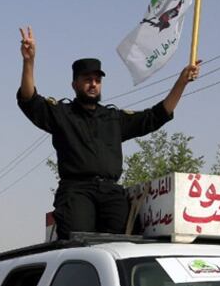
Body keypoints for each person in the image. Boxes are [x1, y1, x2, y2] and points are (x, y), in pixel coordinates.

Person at [17, 26, 200, 239]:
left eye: (97, 80)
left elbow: (155, 116)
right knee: (79, 242)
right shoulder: (62, 114)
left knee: (122, 243)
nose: (93, 84)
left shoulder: (114, 118)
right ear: (74, 84)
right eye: (87, 79)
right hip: (77, 192)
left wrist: (181, 83)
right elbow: (29, 100)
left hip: (111, 193)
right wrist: (28, 62)